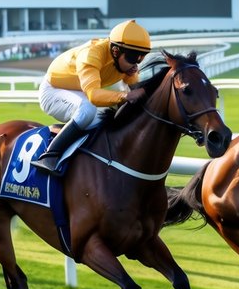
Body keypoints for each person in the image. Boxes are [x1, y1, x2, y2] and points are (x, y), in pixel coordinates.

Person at [30, 19, 151, 175]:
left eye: (141, 57)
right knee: (87, 110)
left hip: (77, 90)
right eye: (133, 57)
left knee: (107, 117)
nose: (136, 63)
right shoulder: (91, 54)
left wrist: (132, 77)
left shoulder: (122, 58)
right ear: (115, 51)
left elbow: (133, 89)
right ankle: (50, 155)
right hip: (53, 90)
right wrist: (125, 95)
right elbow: (94, 95)